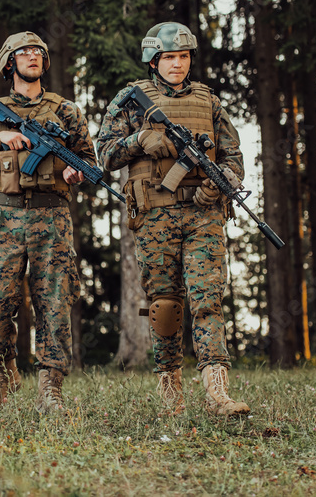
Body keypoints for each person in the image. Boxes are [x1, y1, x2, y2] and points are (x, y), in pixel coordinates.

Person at [96, 22, 249, 417]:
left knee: (208, 297)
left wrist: (223, 183)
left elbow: (233, 156)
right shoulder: (131, 100)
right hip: (154, 213)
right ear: (154, 60)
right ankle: (171, 391)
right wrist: (137, 141)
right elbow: (105, 155)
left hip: (204, 213)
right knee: (165, 302)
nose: (177, 64)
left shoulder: (208, 100)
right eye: (169, 57)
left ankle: (218, 391)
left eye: (183, 57)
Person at [0, 32, 94, 415]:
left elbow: (88, 162)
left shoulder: (67, 111)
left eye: (38, 52)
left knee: (55, 302)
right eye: (23, 53)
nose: (32, 57)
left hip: (51, 217)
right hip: (4, 217)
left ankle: (50, 388)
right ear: (9, 63)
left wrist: (77, 173)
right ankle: (2, 372)